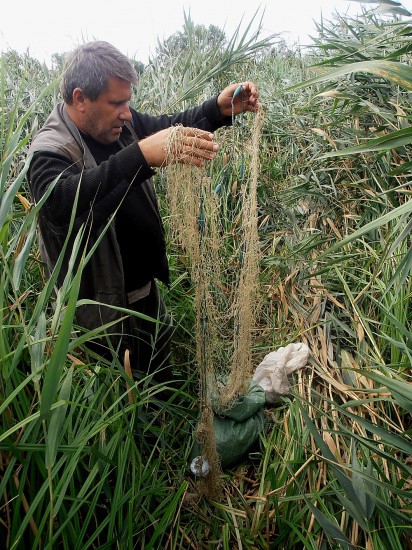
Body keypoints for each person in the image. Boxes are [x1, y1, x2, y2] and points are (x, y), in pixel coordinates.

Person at [27, 40, 259, 380]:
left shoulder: (121, 124)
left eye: (128, 102)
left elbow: (169, 128)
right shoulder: (50, 149)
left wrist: (217, 110)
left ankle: (164, 426)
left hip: (144, 292)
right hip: (100, 314)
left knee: (159, 381)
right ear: (80, 99)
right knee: (120, 400)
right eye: (116, 102)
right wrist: (140, 156)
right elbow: (60, 204)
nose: (126, 111)